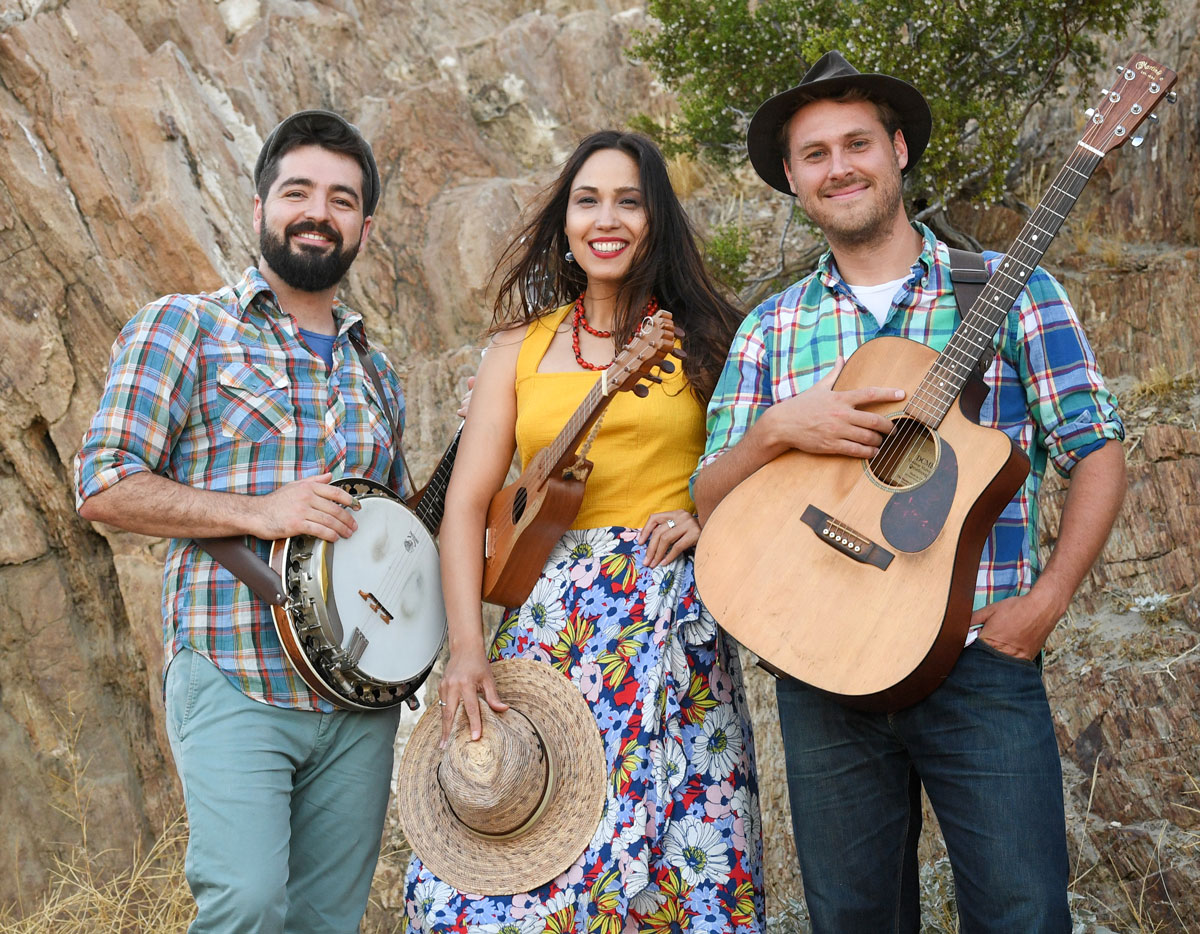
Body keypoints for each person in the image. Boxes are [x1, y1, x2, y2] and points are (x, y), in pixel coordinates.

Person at [693, 52, 1127, 932]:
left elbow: (1097, 450)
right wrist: (778, 430)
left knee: (1022, 914)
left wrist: (1047, 602)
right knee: (852, 919)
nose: (839, 166)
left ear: (897, 151)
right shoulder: (773, 326)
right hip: (822, 672)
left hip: (977, 661)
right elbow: (709, 497)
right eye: (814, 154)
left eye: (858, 143)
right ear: (792, 178)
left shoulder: (1011, 291)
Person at [404, 131, 765, 933]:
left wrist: (709, 518)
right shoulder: (518, 348)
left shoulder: (707, 338)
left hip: (672, 627)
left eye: (629, 201)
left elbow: (760, 473)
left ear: (655, 220)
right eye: (587, 200)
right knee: (509, 873)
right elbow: (466, 507)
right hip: (547, 632)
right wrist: (466, 651)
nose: (607, 219)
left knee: (678, 863)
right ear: (564, 222)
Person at [75, 110, 406, 934]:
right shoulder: (184, 326)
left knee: (328, 920)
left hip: (358, 700)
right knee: (248, 904)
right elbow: (105, 484)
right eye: (297, 191)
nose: (317, 212)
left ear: (364, 225)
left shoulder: (379, 372)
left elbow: (400, 535)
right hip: (234, 672)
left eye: (341, 198)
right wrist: (259, 510)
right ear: (260, 208)